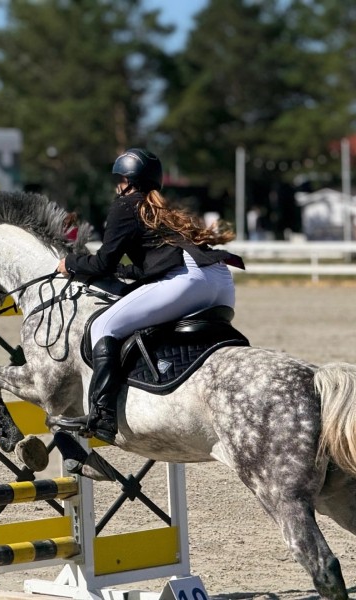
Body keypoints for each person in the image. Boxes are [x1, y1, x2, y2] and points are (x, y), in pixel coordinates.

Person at [56, 148, 243, 444]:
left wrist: (70, 264)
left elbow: (103, 262)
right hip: (220, 280)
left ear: (127, 181)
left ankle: (102, 415)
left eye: (118, 179)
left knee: (104, 326)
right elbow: (155, 261)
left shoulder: (126, 205)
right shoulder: (164, 210)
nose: (117, 185)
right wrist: (128, 273)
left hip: (187, 280)